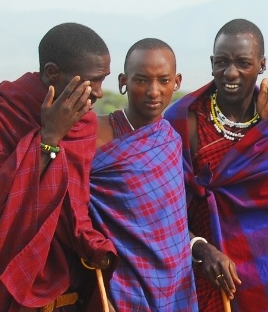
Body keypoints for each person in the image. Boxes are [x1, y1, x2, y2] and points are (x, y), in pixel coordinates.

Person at [0, 22, 117, 311]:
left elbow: (75, 207)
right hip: (1, 276)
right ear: (53, 73)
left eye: (104, 80)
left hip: (68, 286)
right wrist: (49, 138)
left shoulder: (84, 123)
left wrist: (92, 243)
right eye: (93, 81)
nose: (100, 93)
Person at [165, 19, 268, 312]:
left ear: (261, 65)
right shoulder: (182, 119)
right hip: (197, 266)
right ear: (211, 63)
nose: (231, 73)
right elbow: (165, 205)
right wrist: (199, 248)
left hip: (266, 271)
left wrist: (265, 126)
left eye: (243, 63)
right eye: (222, 62)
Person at [86, 38, 204, 310]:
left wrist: (199, 245)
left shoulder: (170, 142)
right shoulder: (94, 135)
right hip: (116, 284)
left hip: (174, 286)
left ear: (176, 82)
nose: (154, 91)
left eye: (163, 81)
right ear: (122, 81)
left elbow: (170, 228)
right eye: (141, 81)